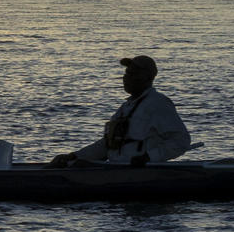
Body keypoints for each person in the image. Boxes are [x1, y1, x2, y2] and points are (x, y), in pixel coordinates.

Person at [51, 55, 192, 167]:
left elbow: (181, 140)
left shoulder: (158, 103)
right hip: (116, 170)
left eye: (134, 73)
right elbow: (106, 145)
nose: (127, 77)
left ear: (148, 78)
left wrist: (149, 157)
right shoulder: (125, 109)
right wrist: (74, 156)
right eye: (126, 73)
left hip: (141, 173)